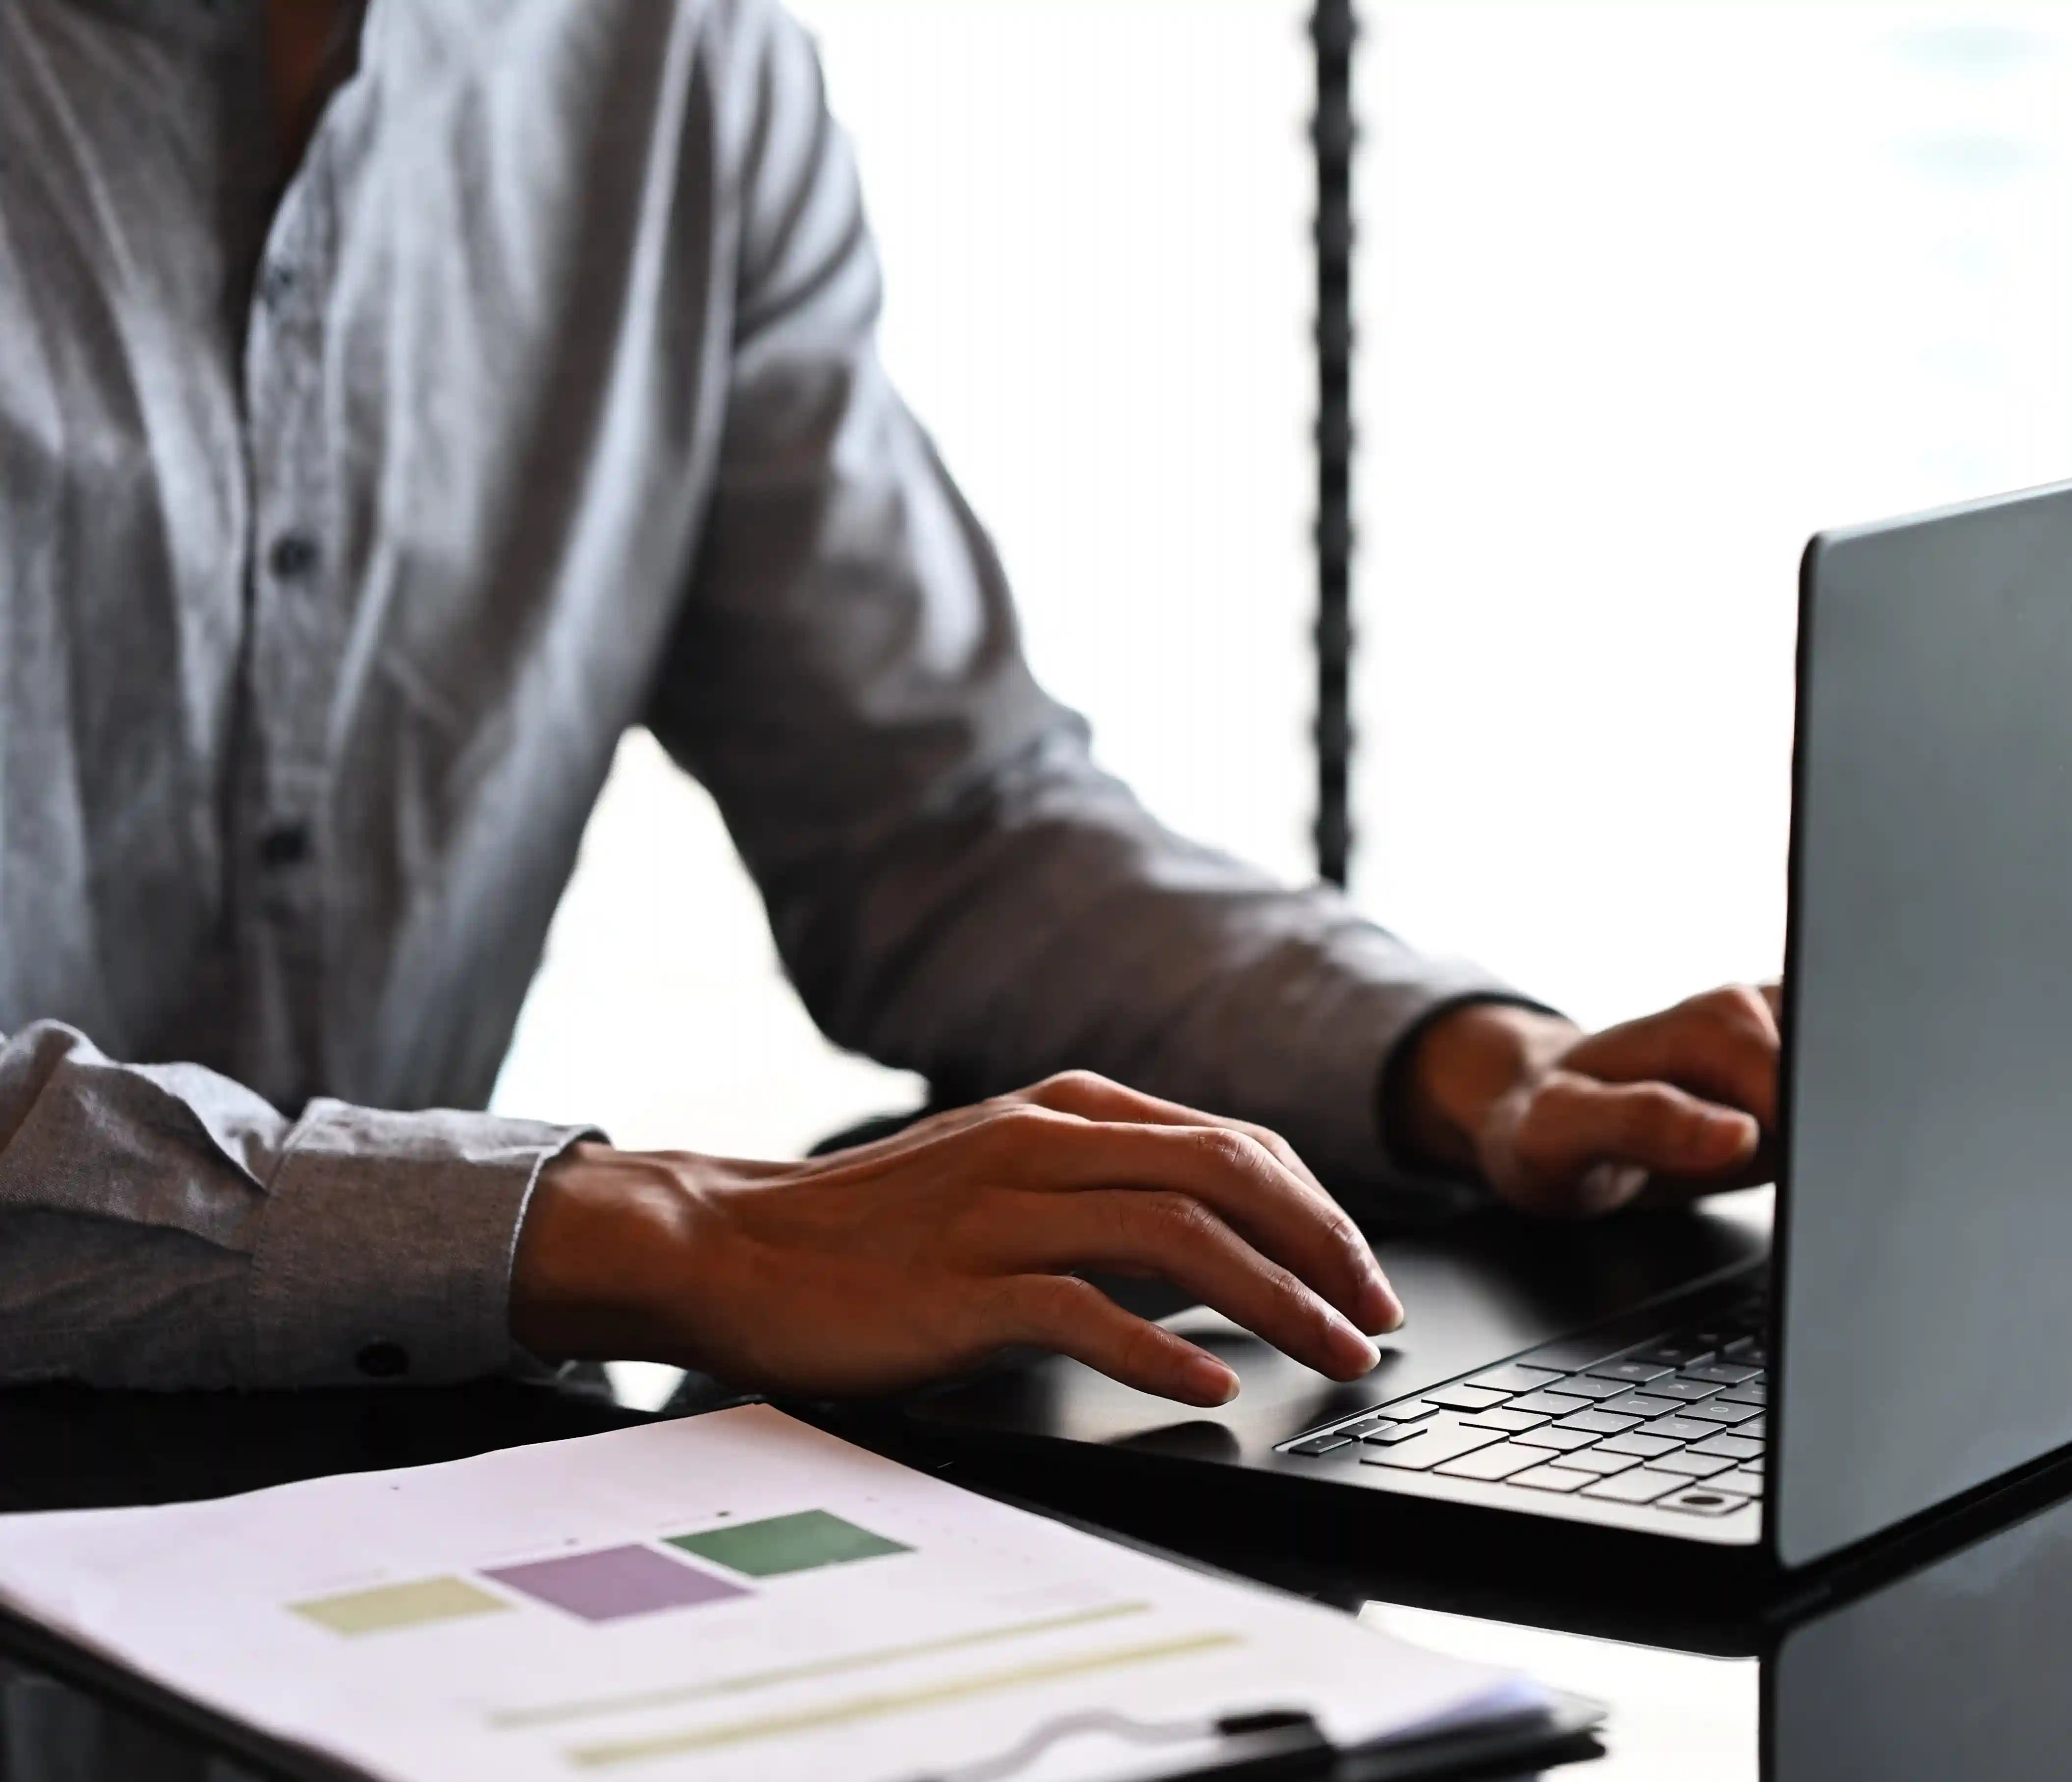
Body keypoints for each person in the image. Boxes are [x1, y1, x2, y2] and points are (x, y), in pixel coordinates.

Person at [0, 0, 1783, 1404]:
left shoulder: (678, 60)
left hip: (394, 1563)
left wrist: (1465, 1065)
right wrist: (659, 1230)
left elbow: (937, 827)